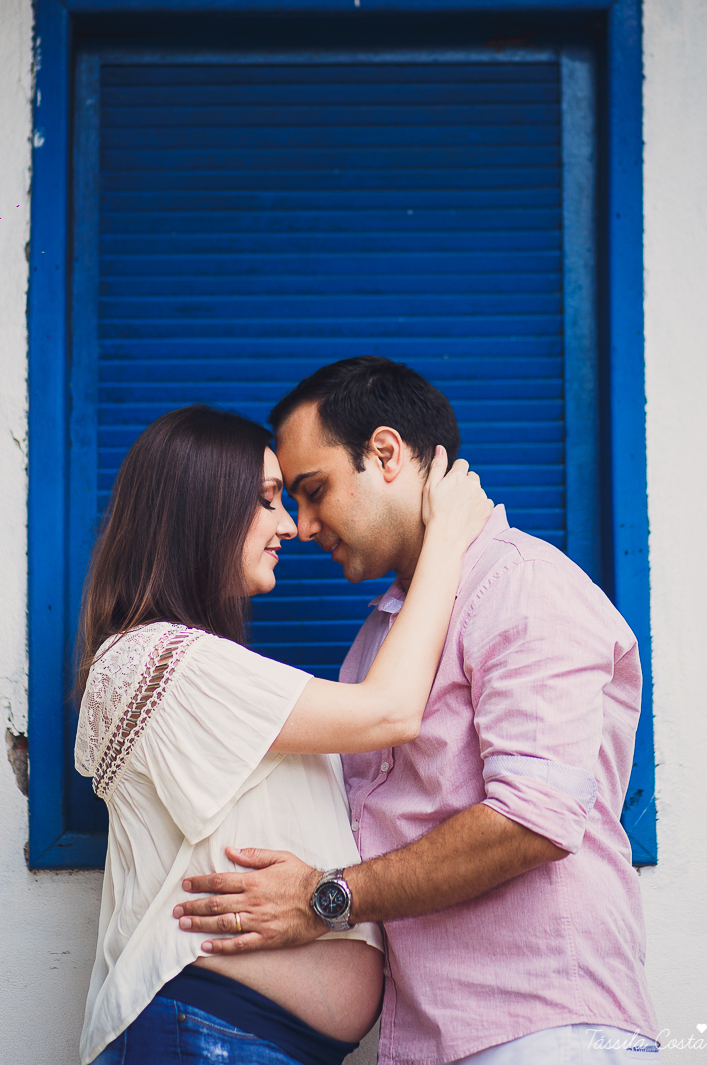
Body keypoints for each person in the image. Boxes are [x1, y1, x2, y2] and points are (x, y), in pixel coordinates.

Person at [174, 358, 660, 1065]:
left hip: (541, 1030)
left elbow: (533, 821)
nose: (303, 527)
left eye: (315, 491)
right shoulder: (382, 637)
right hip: (430, 1037)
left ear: (386, 453)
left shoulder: (523, 585)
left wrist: (321, 899)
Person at [73, 403, 492, 1065]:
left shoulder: (194, 667)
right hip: (205, 1034)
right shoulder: (157, 660)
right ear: (202, 508)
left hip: (236, 1037)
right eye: (268, 500)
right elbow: (388, 710)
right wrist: (444, 539)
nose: (291, 527)